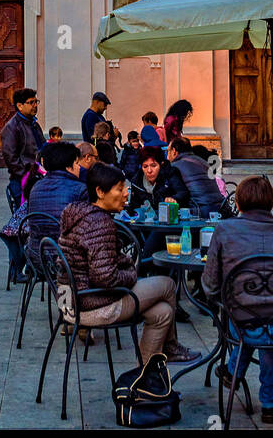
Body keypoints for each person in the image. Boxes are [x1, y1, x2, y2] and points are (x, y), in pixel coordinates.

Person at [57, 163, 201, 364]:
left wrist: (124, 266)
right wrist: (131, 274)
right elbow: (107, 278)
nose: (126, 193)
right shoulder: (99, 223)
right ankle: (169, 348)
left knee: (163, 313)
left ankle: (145, 378)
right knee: (167, 285)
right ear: (99, 192)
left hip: (69, 302)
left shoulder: (79, 214)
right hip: (91, 305)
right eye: (119, 188)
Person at [201, 175, 273, 424]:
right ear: (271, 203)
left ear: (238, 204)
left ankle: (233, 370)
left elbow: (210, 285)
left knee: (253, 318)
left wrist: (224, 302)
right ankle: (270, 402)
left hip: (241, 323)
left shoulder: (223, 230)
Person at [26, 141, 88, 261]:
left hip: (37, 257)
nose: (79, 168)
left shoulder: (36, 186)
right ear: (67, 166)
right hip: (68, 260)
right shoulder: (79, 189)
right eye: (76, 163)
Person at [167, 137, 231, 218]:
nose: (167, 157)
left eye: (168, 151)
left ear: (174, 151)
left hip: (200, 211)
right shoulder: (201, 161)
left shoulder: (175, 166)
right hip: (221, 208)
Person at [1, 88, 45, 204]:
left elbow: (43, 147)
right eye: (31, 102)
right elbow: (10, 158)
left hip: (38, 178)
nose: (35, 105)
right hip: (23, 182)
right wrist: (26, 175)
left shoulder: (34, 124)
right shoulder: (12, 127)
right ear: (20, 106)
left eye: (36, 102)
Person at [128, 146, 191, 214]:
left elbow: (183, 193)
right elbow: (134, 208)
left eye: (153, 165)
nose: (149, 171)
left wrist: (173, 198)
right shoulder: (136, 182)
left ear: (161, 164)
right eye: (145, 166)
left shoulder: (170, 174)